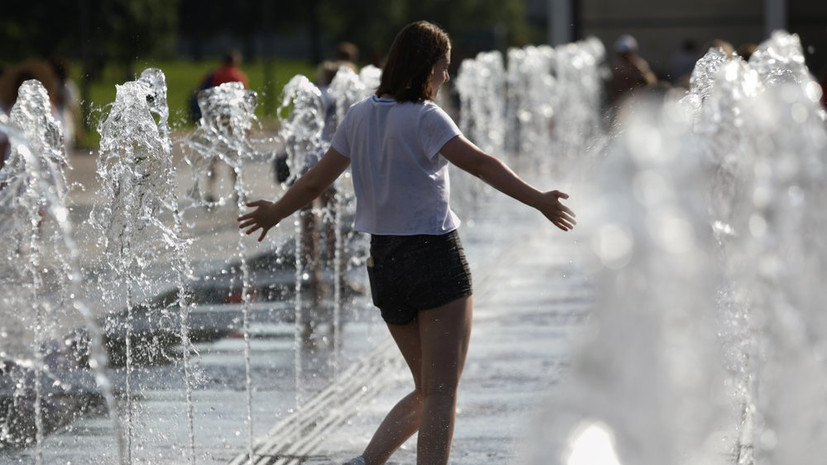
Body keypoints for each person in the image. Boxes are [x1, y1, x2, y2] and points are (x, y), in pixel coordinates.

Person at [237, 21, 575, 465]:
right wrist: (538, 200)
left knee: (428, 388)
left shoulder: (358, 115)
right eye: (443, 66)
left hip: (385, 265)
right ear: (425, 66)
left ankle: (366, 462)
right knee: (441, 392)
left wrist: (275, 211)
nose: (446, 77)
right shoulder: (425, 117)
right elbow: (481, 164)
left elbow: (316, 180)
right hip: (434, 258)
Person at [608, 34, 657, 106]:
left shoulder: (640, 66)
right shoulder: (617, 67)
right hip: (621, 104)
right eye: (621, 54)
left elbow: (652, 83)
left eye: (625, 54)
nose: (624, 57)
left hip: (637, 103)